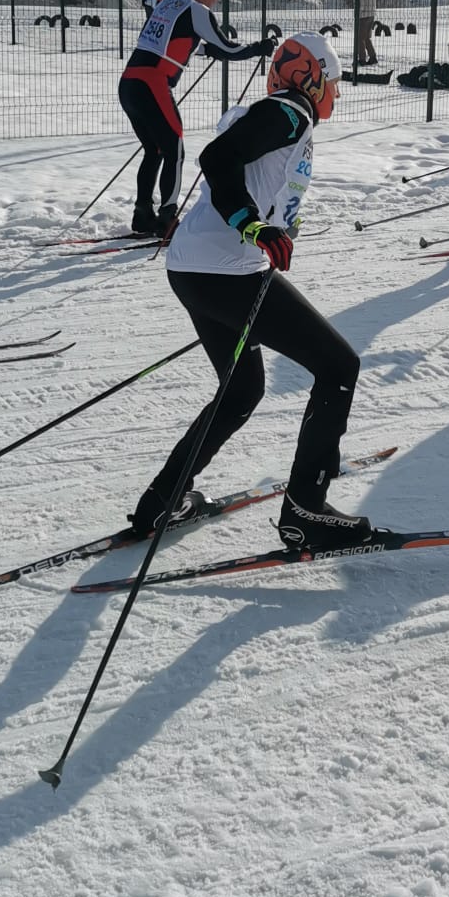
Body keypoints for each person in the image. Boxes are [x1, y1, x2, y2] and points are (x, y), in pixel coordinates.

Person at [128, 32, 377, 552]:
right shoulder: (290, 113)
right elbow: (217, 157)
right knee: (338, 367)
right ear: (312, 78)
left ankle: (162, 500)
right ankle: (306, 512)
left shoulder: (281, 114)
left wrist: (265, 224)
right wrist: (252, 224)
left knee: (242, 390)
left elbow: (239, 168)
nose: (335, 93)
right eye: (333, 82)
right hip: (228, 270)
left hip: (194, 268)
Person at [117, 0, 271, 236]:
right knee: (174, 150)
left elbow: (177, 36)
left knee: (154, 150)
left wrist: (207, 51)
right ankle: (167, 218)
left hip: (129, 82)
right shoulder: (198, 10)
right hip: (152, 82)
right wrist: (259, 48)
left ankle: (143, 215)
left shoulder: (171, 2)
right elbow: (228, 48)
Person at [353, 0, 379, 67]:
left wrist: (359, 10)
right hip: (371, 13)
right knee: (367, 37)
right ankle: (372, 57)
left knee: (360, 38)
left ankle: (362, 59)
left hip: (363, 14)